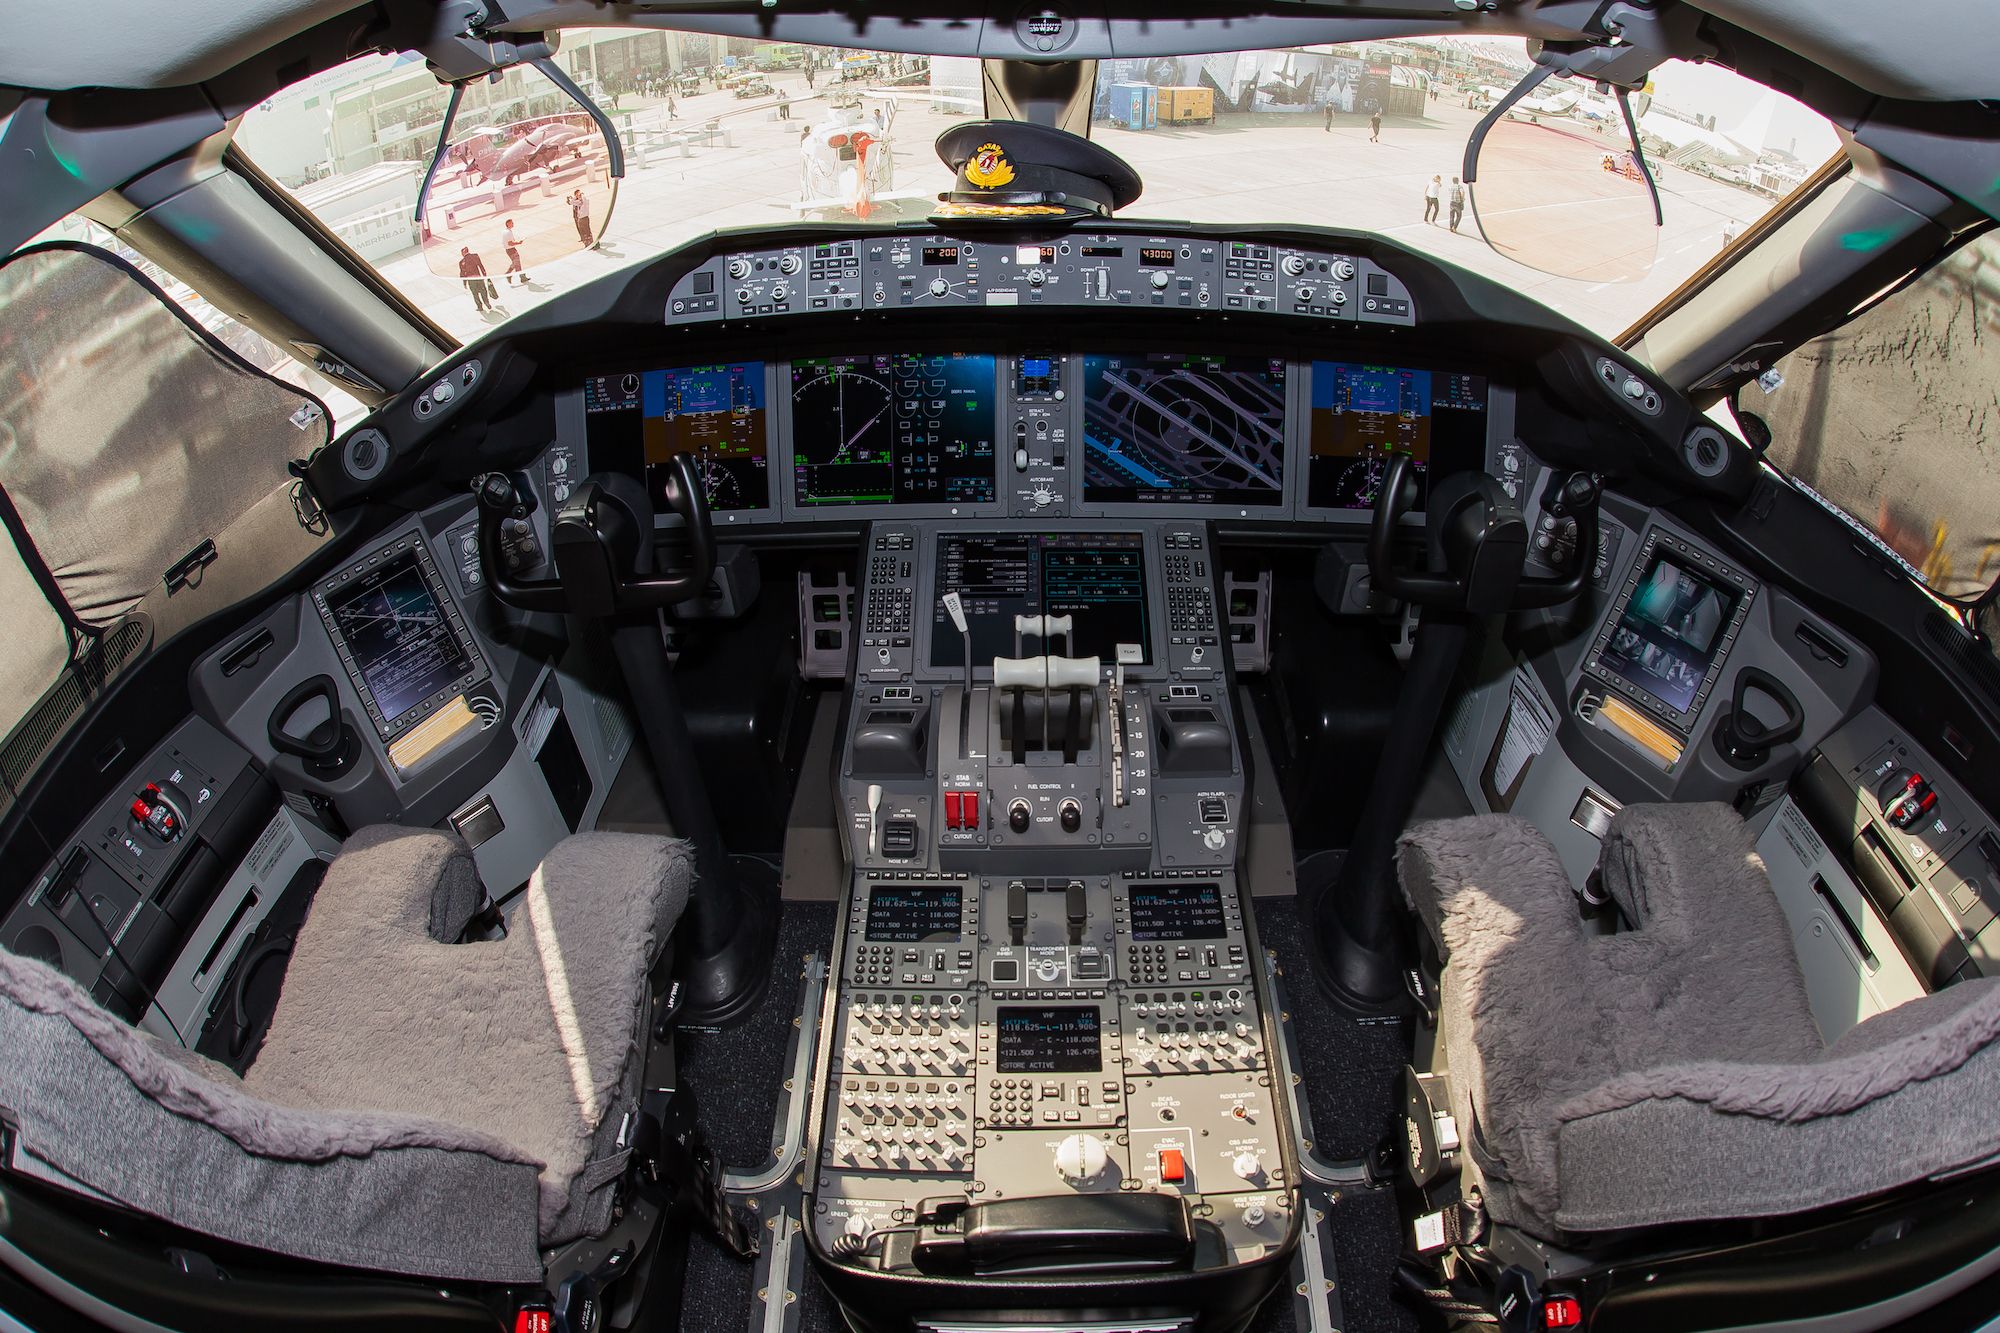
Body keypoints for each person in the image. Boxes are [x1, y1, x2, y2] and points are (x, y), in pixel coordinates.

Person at [458, 246, 494, 313]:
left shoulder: (462, 262)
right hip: (478, 277)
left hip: (471, 280)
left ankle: (480, 307)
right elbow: (481, 265)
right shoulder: (475, 256)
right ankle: (486, 302)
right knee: (483, 290)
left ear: (463, 253)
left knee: (475, 294)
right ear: (468, 251)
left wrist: (464, 283)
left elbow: (463, 274)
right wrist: (484, 275)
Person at [502, 218, 529, 285]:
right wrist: (519, 243)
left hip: (510, 250)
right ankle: (508, 274)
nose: (513, 224)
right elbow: (510, 243)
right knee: (516, 263)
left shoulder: (506, 231)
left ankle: (521, 277)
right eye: (512, 223)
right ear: (508, 224)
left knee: (517, 263)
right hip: (511, 250)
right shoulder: (508, 232)